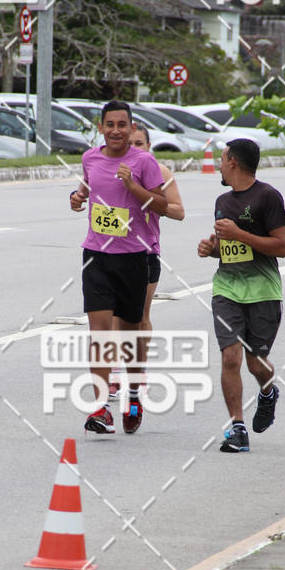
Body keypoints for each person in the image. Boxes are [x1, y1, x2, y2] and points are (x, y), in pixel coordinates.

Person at [70, 100, 167, 435]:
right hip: (96, 254)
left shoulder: (144, 161)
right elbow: (88, 186)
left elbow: (164, 206)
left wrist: (133, 188)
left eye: (122, 125)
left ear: (131, 127)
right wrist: (77, 197)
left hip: (133, 257)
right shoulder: (90, 158)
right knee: (98, 334)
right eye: (109, 124)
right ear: (100, 127)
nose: (116, 131)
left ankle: (135, 393)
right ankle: (100, 407)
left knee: (128, 335)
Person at [197, 138, 285, 453]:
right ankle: (237, 428)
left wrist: (238, 234)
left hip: (263, 290)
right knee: (230, 357)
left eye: (222, 159)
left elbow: (281, 247)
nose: (219, 165)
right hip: (227, 288)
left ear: (233, 162)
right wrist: (212, 250)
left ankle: (267, 392)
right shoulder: (222, 200)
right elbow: (228, 250)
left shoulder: (268, 196)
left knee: (255, 363)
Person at [108, 123, 185, 398]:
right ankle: (116, 374)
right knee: (114, 315)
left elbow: (178, 211)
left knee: (138, 316)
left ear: (149, 147)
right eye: (129, 144)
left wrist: (149, 199)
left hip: (145, 253)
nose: (134, 150)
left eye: (139, 144)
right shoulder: (110, 167)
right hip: (111, 251)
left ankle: (137, 372)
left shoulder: (159, 172)